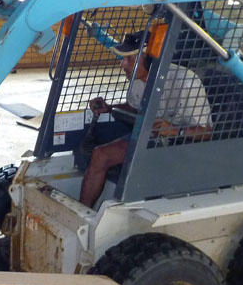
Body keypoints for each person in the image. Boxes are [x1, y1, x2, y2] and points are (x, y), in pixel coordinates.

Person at [79, 30, 213, 207]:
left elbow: (207, 133)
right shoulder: (137, 80)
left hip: (183, 145)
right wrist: (109, 108)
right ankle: (82, 212)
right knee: (100, 155)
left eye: (129, 59)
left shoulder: (187, 82)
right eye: (123, 58)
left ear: (150, 60)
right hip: (152, 138)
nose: (123, 64)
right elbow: (136, 109)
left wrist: (173, 130)